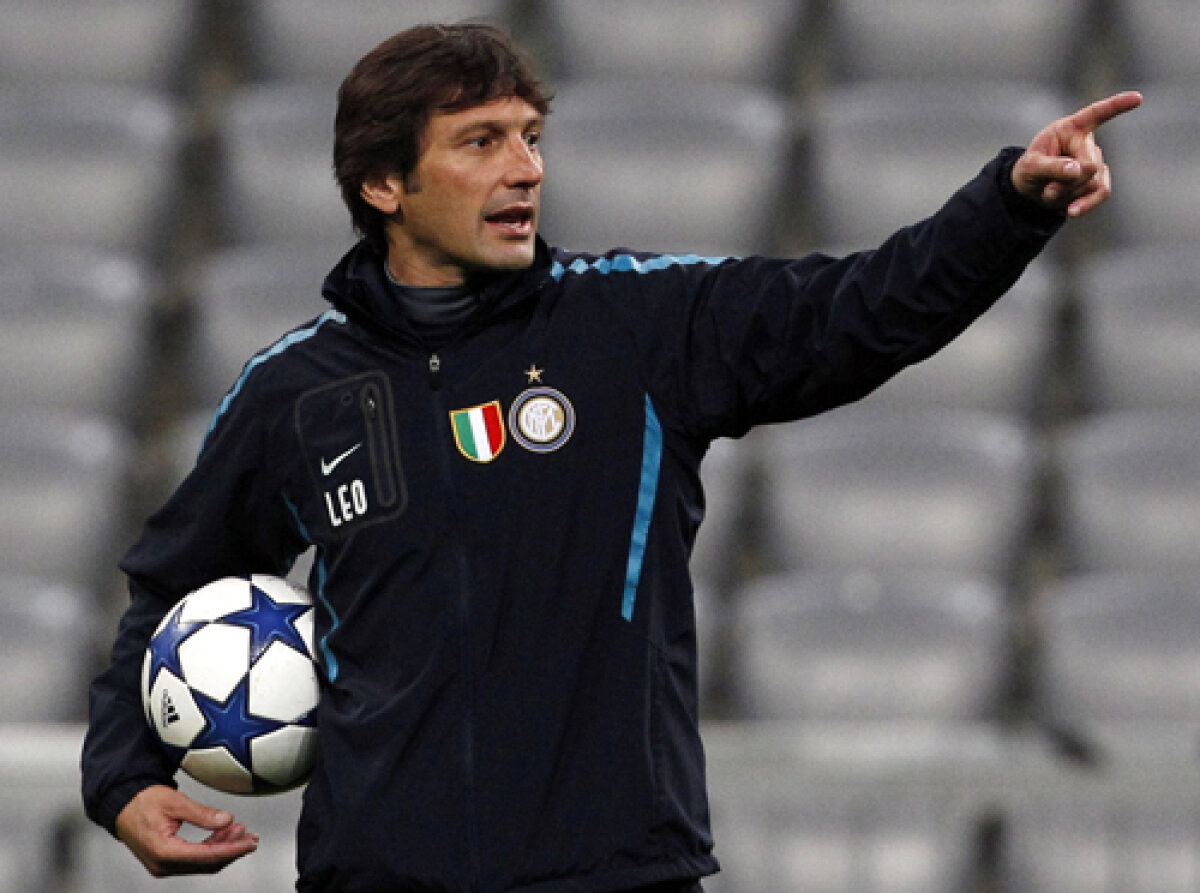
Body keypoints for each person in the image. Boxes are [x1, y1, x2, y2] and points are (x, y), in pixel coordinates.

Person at [81, 21, 1141, 893]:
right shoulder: (295, 392)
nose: (526, 169)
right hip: (376, 877)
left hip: (618, 876)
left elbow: (859, 311)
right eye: (481, 142)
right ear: (385, 184)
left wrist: (1010, 206)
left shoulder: (633, 326)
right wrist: (126, 775)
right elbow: (174, 583)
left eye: (531, 137)